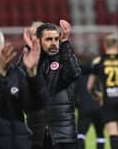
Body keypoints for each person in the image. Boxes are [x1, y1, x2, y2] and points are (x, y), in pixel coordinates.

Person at [24, 20, 81, 149]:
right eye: (49, 39)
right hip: (37, 133)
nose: (54, 43)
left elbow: (74, 74)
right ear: (38, 41)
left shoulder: (64, 57)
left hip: (64, 133)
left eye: (56, 39)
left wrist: (65, 42)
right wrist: (31, 49)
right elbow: (22, 82)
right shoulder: (28, 59)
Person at [0, 25, 42, 149]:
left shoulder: (15, 73)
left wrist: (32, 73)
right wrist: (0, 73)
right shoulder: (3, 71)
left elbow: (33, 107)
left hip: (19, 143)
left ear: (2, 48)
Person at [75, 63, 105, 149]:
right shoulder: (98, 79)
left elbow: (73, 95)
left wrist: (78, 106)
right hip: (99, 109)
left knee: (81, 134)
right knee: (100, 134)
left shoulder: (79, 80)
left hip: (84, 109)